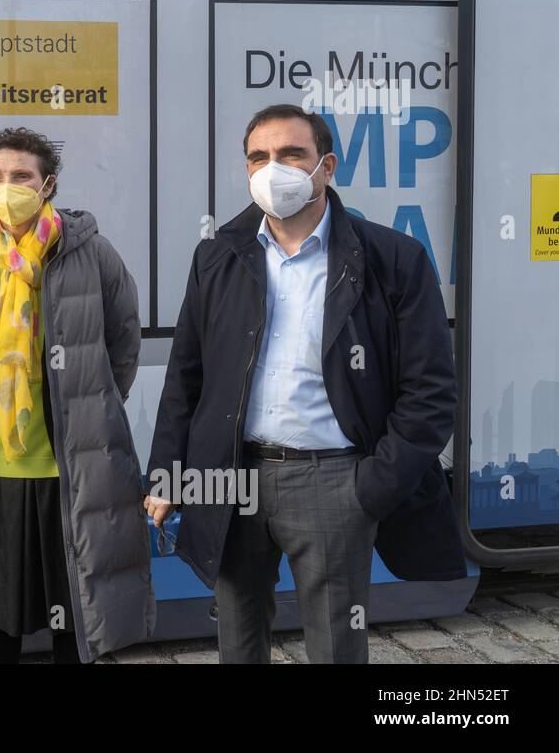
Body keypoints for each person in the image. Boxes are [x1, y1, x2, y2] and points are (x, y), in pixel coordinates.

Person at [145, 103, 466, 663]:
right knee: (237, 641)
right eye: (259, 157)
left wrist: (369, 490)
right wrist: (171, 474)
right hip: (231, 477)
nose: (275, 168)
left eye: (292, 154)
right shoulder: (217, 256)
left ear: (327, 166)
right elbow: (186, 377)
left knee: (336, 646)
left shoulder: (393, 259)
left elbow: (431, 392)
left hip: (334, 481)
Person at [0, 127, 155, 664]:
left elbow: (123, 342)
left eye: (21, 176)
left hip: (66, 471)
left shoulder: (90, 253)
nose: (7, 186)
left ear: (47, 184)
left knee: (75, 608)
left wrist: (85, 410)